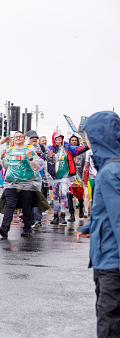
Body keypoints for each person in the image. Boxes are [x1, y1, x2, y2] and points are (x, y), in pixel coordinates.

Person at [76, 111, 120, 337]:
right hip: (109, 257)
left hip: (111, 263)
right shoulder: (113, 166)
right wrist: (89, 227)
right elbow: (109, 212)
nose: (86, 141)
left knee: (109, 322)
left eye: (87, 136)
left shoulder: (109, 172)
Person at [0, 131, 42, 238]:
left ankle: (27, 228)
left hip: (27, 183)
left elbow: (36, 168)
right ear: (13, 139)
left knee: (26, 207)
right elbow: (6, 166)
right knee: (10, 205)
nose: (18, 138)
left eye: (20, 137)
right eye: (16, 137)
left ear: (24, 138)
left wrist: (30, 158)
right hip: (11, 184)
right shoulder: (9, 151)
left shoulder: (30, 151)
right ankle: (5, 228)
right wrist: (2, 158)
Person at [47, 132, 89, 225]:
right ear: (53, 139)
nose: (59, 140)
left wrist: (89, 144)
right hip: (55, 177)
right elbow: (45, 158)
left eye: (60, 138)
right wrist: (50, 157)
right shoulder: (50, 148)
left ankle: (62, 216)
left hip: (65, 177)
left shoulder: (68, 148)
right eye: (57, 138)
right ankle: (55, 216)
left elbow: (80, 149)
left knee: (63, 195)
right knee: (55, 197)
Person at [26, 130, 50, 229]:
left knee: (36, 199)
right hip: (26, 178)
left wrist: (52, 156)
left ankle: (37, 220)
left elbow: (49, 160)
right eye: (32, 138)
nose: (34, 139)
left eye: (35, 137)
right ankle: (29, 220)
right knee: (27, 200)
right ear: (28, 139)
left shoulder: (42, 148)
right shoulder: (24, 148)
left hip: (38, 178)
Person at [68, 135, 86, 220]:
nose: (74, 141)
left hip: (79, 175)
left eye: (75, 140)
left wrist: (83, 178)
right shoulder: (67, 151)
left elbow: (84, 164)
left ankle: (81, 210)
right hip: (69, 176)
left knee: (80, 195)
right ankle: (72, 214)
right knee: (69, 196)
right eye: (72, 140)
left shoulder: (82, 152)